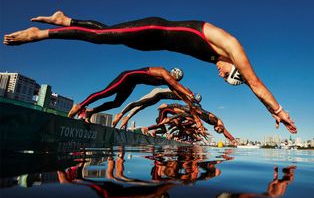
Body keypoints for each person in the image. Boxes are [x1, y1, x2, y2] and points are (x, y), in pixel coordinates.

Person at [4, 11, 297, 134]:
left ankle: (65, 19)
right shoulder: (232, 47)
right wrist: (279, 109)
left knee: (108, 33)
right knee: (103, 37)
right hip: (155, 28)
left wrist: (268, 111)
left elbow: (250, 85)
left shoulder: (227, 62)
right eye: (226, 75)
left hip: (153, 44)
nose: (219, 74)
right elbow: (254, 81)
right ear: (235, 67)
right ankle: (39, 34)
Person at [68, 67, 201, 127]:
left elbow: (179, 93)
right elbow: (175, 85)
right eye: (176, 80)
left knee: (116, 103)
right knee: (105, 93)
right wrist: (190, 94)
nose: (175, 82)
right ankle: (80, 106)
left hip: (132, 84)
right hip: (127, 77)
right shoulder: (163, 72)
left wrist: (190, 103)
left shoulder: (170, 82)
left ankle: (90, 112)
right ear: (174, 75)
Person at [112, 87, 201, 129]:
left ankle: (126, 118)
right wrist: (167, 106)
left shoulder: (188, 99)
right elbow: (178, 103)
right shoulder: (187, 91)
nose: (192, 103)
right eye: (193, 101)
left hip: (159, 97)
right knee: (139, 103)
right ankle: (121, 114)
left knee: (141, 107)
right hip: (157, 93)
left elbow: (181, 107)